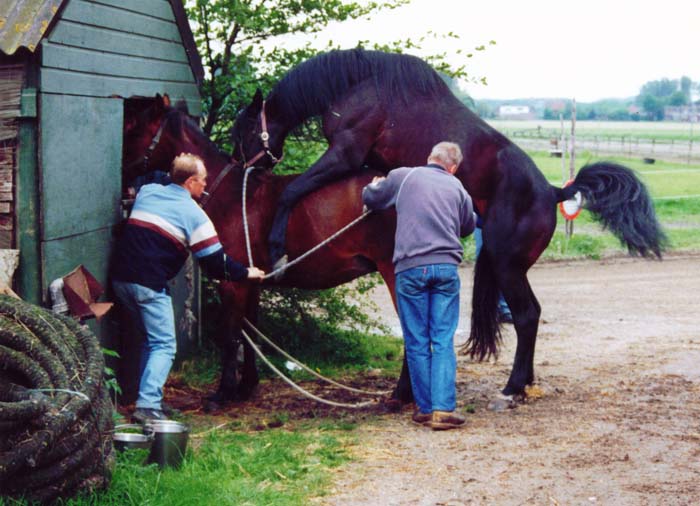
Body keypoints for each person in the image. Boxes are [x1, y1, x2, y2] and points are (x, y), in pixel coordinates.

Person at [111, 153, 265, 423]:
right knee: (165, 345)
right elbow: (217, 264)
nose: (205, 186)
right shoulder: (196, 215)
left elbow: (153, 177)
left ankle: (151, 399)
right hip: (148, 286)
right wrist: (247, 273)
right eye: (203, 181)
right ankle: (147, 407)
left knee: (151, 340)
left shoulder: (148, 192)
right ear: (192, 182)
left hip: (121, 281)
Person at [362, 142, 476, 430]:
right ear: (453, 167)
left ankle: (424, 409)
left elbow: (371, 197)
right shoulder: (457, 187)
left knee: (416, 340)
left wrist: (375, 185)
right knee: (442, 339)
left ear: (429, 158)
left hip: (410, 269)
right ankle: (443, 409)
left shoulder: (403, 176)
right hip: (446, 269)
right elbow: (468, 225)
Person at [473, 216, 513, 324]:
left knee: (503, 262)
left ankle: (503, 307)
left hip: (502, 219)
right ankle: (488, 309)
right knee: (485, 263)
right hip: (482, 219)